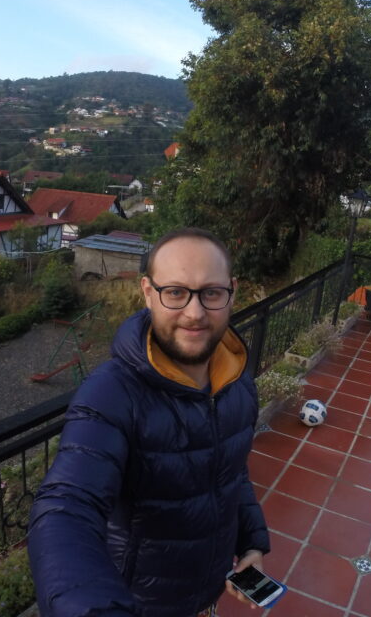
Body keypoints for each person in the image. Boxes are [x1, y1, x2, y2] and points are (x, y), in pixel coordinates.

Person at [28, 228, 270, 617]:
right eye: (175, 292)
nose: (194, 313)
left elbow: (231, 471)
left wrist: (252, 542)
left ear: (232, 292)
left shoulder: (236, 379)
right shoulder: (111, 394)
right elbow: (66, 507)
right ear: (147, 292)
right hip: (140, 603)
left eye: (211, 292)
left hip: (208, 591)